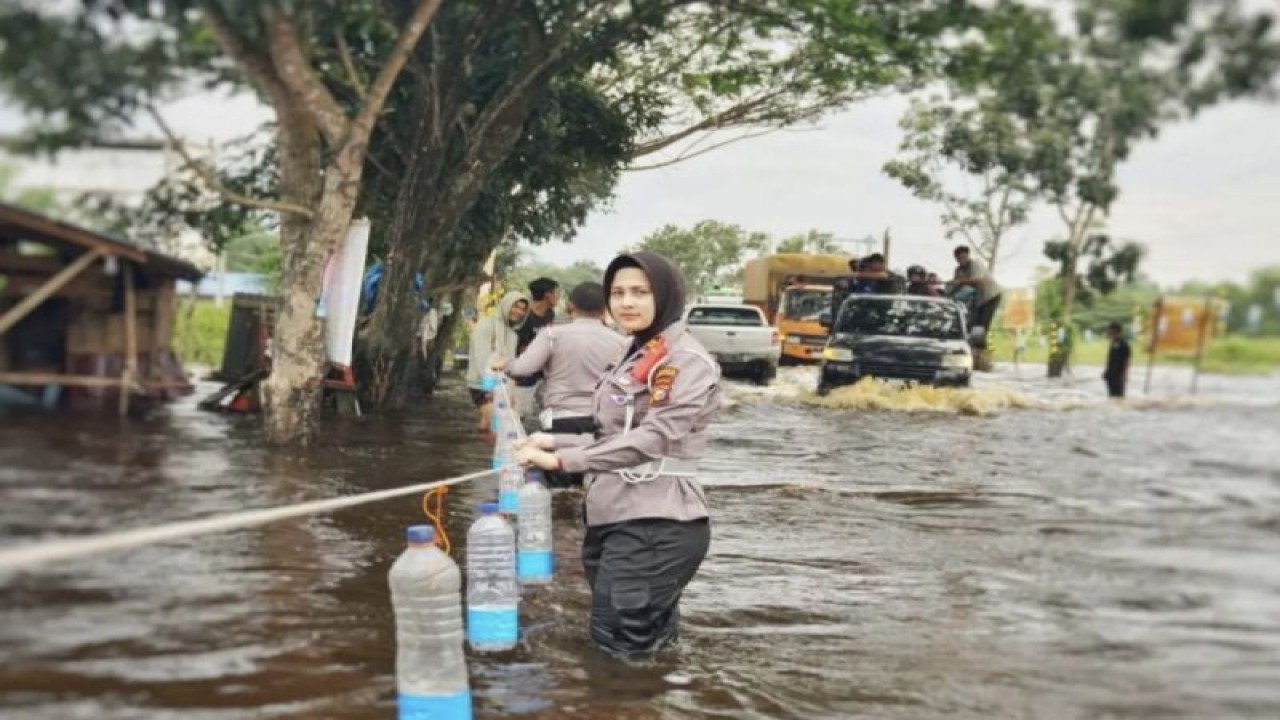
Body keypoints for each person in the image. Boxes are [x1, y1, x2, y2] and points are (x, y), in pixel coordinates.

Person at [515, 252, 721, 658]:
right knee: (642, 652)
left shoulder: (684, 360)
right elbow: (610, 433)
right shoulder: (636, 351)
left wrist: (562, 461)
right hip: (615, 514)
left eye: (641, 292)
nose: (627, 302)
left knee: (618, 648)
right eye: (618, 293)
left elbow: (654, 438)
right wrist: (551, 442)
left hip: (656, 524)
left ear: (666, 295)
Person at [496, 282, 627, 489]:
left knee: (560, 489)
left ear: (570, 306)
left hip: (560, 419)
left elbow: (522, 369)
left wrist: (505, 365)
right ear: (605, 309)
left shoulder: (552, 335)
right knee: (594, 487)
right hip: (601, 422)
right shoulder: (622, 342)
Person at [466, 290, 530, 434]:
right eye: (516, 306)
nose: (519, 312)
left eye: (523, 309)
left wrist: (510, 392)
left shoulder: (513, 334)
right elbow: (481, 359)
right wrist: (491, 388)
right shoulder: (486, 325)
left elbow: (509, 365)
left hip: (503, 387)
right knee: (504, 429)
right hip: (482, 386)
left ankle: (480, 447)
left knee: (487, 428)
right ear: (506, 305)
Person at [512, 277, 561, 426]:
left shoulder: (550, 314)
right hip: (523, 374)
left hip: (543, 373)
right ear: (547, 295)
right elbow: (517, 348)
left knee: (552, 409)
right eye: (557, 293)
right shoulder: (524, 317)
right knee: (518, 414)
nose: (558, 297)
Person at [949, 245, 1002, 347]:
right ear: (956, 259)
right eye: (960, 258)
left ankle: (980, 347)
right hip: (977, 299)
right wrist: (950, 294)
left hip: (991, 296)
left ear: (968, 256)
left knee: (982, 323)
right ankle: (974, 344)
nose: (963, 260)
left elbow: (979, 280)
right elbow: (956, 285)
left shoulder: (975, 264)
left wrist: (961, 281)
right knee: (973, 322)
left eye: (964, 257)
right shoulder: (958, 270)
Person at [1103, 321, 1131, 399]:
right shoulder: (1113, 343)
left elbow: (1126, 361)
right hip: (1111, 375)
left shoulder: (1124, 344)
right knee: (1111, 395)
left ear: (1116, 332)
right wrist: (1107, 372)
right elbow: (1110, 360)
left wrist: (1125, 375)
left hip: (1118, 375)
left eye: (1111, 331)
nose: (1109, 333)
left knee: (1118, 396)